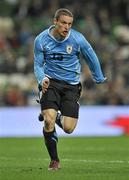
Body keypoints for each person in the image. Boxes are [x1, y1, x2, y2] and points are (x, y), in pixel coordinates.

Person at [33, 8, 107, 171]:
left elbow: (91, 56)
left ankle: (56, 114)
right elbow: (38, 64)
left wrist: (98, 77)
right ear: (55, 22)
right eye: (64, 23)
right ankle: (54, 160)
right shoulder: (41, 40)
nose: (67, 27)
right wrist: (42, 78)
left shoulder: (77, 39)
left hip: (71, 86)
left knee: (68, 129)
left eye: (70, 24)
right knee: (48, 121)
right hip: (50, 82)